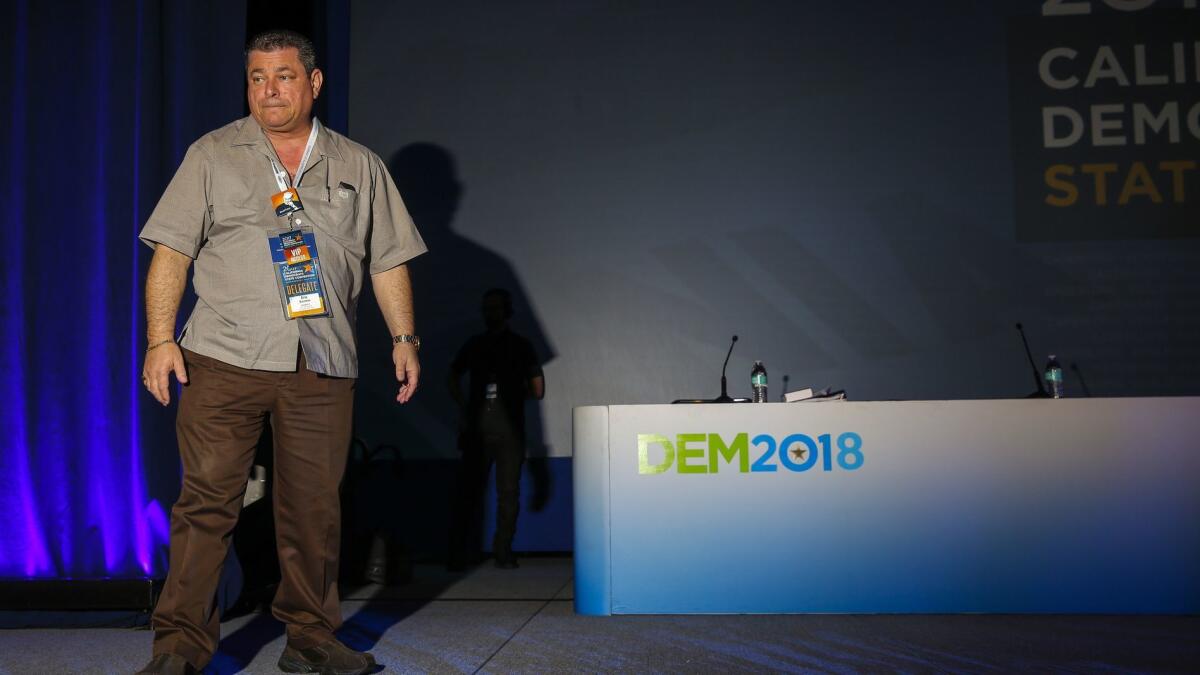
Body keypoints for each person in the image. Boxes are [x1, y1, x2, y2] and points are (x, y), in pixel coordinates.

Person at [135, 30, 425, 675]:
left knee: (313, 510)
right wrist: (160, 340)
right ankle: (179, 651)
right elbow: (171, 253)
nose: (269, 89)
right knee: (205, 506)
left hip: (321, 364)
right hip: (221, 357)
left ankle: (311, 639)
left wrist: (404, 338)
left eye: (284, 76)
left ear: (314, 83)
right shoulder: (211, 154)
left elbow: (389, 261)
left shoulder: (359, 164)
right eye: (258, 77)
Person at [447, 288, 545, 570]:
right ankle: (494, 553)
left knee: (492, 494)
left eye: (495, 308)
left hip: (504, 431)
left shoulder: (509, 345)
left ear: (505, 311)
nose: (491, 313)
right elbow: (538, 389)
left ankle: (476, 553)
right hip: (493, 430)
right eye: (488, 308)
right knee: (494, 494)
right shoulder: (503, 344)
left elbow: (538, 390)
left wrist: (468, 403)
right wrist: (466, 405)